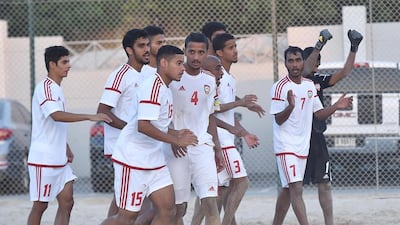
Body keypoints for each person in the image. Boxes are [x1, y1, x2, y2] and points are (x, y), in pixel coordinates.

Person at [100, 45, 198, 225]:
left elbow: (156, 124)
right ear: (163, 63)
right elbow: (143, 126)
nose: (183, 68)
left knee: (168, 210)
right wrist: (176, 139)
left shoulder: (165, 88)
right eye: (178, 63)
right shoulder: (153, 86)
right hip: (132, 160)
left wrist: (176, 132)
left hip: (153, 160)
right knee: (126, 218)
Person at [27, 45, 112, 225]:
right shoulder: (45, 87)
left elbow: (52, 124)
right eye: (64, 62)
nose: (69, 65)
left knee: (67, 202)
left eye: (68, 61)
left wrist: (65, 147)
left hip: (59, 159)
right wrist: (89, 116)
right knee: (40, 206)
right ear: (52, 65)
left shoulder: (57, 89)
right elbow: (55, 115)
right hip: (44, 160)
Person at [269, 46, 353, 225]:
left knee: (287, 190)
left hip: (303, 147)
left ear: (303, 62)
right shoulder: (279, 87)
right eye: (290, 61)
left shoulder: (308, 86)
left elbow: (319, 113)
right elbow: (278, 120)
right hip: (286, 146)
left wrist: (336, 107)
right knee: (296, 188)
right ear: (285, 63)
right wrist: (290, 107)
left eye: (297, 60)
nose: (294, 64)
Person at [302, 29, 363, 225]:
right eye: (312, 60)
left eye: (318, 61)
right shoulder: (297, 80)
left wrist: (354, 48)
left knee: (324, 183)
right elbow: (305, 70)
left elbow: (344, 72)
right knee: (291, 188)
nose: (315, 65)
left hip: (317, 138)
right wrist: (320, 43)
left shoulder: (318, 80)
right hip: (297, 139)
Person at [167, 32, 223, 225]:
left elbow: (210, 116)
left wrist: (217, 148)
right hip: (177, 148)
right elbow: (160, 116)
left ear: (207, 53)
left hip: (202, 146)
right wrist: (172, 138)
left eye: (201, 52)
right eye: (192, 52)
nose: (196, 57)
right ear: (184, 52)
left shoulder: (209, 81)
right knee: (178, 208)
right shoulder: (172, 78)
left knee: (210, 203)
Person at [96, 28, 151, 219]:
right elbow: (102, 111)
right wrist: (131, 128)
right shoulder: (120, 75)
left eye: (148, 45)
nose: (147, 49)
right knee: (134, 203)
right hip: (123, 147)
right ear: (129, 50)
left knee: (126, 200)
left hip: (141, 146)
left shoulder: (149, 74)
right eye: (141, 46)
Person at [212, 33, 264, 225]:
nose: (235, 51)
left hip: (227, 138)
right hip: (220, 140)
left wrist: (244, 133)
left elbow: (227, 110)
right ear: (219, 52)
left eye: (235, 46)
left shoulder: (229, 78)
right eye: (230, 47)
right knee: (242, 182)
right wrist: (241, 103)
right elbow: (214, 108)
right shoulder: (216, 77)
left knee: (223, 190)